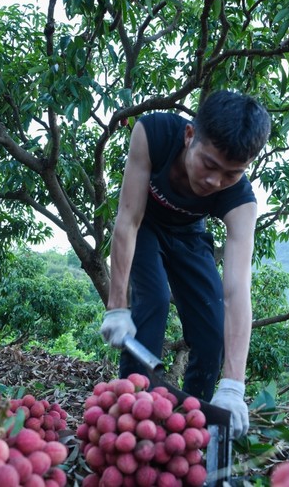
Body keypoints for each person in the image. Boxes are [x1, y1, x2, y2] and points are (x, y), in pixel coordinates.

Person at [99, 89, 271, 439]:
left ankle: (193, 427)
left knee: (211, 331)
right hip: (145, 226)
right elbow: (128, 220)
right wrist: (117, 306)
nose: (215, 181)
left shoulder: (241, 201)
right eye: (209, 164)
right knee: (154, 302)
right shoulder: (154, 134)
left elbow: (237, 292)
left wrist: (234, 385)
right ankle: (130, 415)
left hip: (191, 237)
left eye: (231, 173)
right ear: (190, 135)